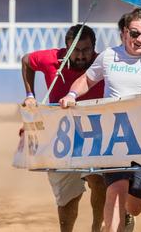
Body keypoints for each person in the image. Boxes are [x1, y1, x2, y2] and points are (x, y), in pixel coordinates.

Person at [59, 8, 141, 232]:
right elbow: (86, 80)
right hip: (114, 138)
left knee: (134, 206)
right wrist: (71, 95)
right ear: (124, 32)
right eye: (135, 33)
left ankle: (127, 215)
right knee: (115, 190)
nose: (140, 39)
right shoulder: (108, 56)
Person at [21, 24, 106, 232]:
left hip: (95, 134)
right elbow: (26, 61)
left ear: (94, 48)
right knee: (69, 198)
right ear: (66, 47)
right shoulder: (52, 58)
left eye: (85, 50)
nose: (80, 56)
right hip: (61, 135)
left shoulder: (102, 62)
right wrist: (30, 95)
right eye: (75, 50)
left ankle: (98, 227)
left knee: (98, 181)